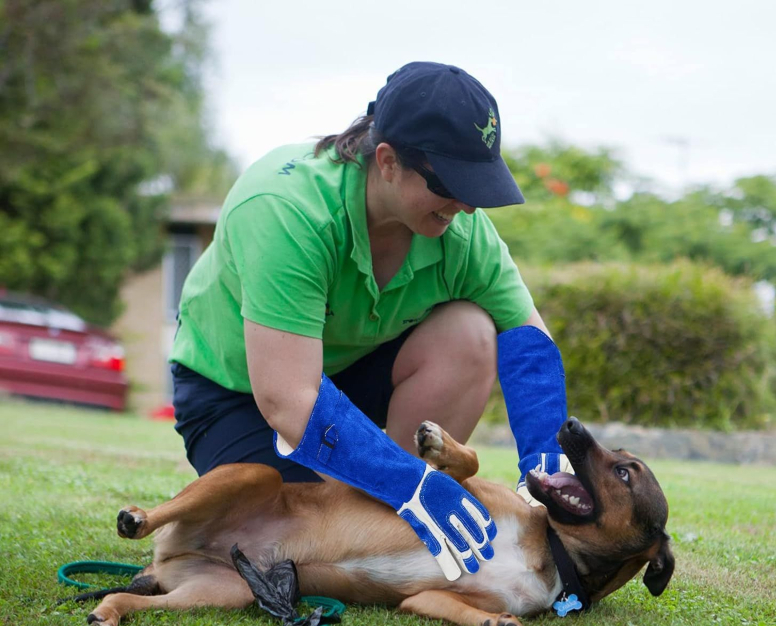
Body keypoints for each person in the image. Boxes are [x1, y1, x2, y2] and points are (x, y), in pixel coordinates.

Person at [169, 61, 570, 582]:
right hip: (237, 392)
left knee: (472, 331)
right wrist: (411, 482)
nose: (468, 205)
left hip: (344, 375)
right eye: (452, 183)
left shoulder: (462, 232)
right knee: (289, 546)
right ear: (386, 160)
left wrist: (548, 469)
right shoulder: (286, 210)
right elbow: (288, 399)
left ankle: (385, 507)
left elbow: (528, 340)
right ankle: (394, 492)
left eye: (477, 184)